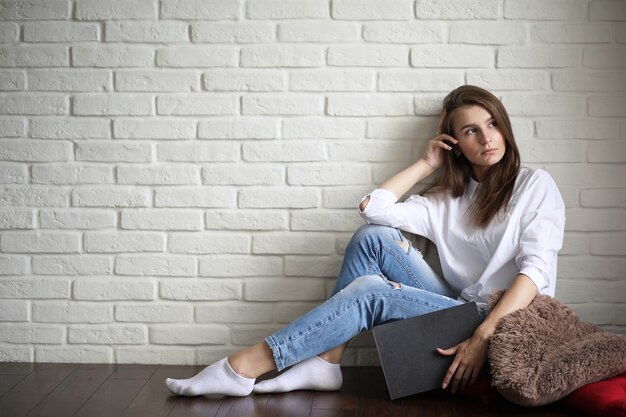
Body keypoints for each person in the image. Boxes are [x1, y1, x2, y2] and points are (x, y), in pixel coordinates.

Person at [165, 85, 566, 397]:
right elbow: (373, 208)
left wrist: (482, 335)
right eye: (470, 130)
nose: (487, 137)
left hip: (502, 319)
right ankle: (327, 360)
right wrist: (426, 163)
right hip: (460, 307)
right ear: (454, 142)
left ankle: (242, 368)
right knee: (373, 238)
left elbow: (535, 271)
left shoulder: (534, 185)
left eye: (492, 123)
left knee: (372, 291)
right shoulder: (446, 199)